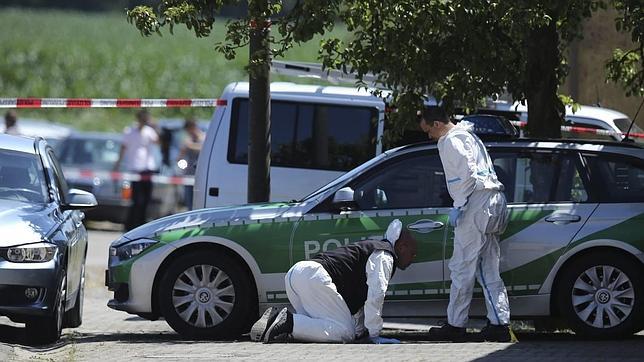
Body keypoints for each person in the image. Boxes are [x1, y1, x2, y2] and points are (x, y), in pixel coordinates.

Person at [418, 107, 511, 342]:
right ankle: (500, 324)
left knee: (461, 267)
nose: (429, 136)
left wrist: (459, 205)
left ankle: (455, 324)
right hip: (492, 202)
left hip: (475, 204)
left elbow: (466, 175)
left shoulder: (451, 141)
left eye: (429, 130)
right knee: (488, 267)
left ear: (437, 124)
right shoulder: (469, 135)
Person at [251, 219, 417, 344]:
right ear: (402, 247)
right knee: (344, 332)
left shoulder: (376, 248)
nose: (413, 258)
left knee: (320, 326)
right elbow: (376, 295)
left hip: (296, 275)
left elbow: (359, 304)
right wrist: (375, 335)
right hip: (313, 278)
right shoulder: (385, 255)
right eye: (412, 252)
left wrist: (362, 332)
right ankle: (287, 321)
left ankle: (276, 324)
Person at [114, 109, 160, 231]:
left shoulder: (149, 131)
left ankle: (142, 224)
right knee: (137, 200)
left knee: (146, 200)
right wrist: (118, 164)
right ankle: (132, 225)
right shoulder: (129, 131)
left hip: (148, 168)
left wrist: (155, 126)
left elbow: (158, 142)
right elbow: (123, 148)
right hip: (135, 168)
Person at [176, 117, 205, 210]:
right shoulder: (187, 139)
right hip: (189, 174)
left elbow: (202, 147)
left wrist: (190, 145)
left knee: (200, 200)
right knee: (189, 202)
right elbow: (180, 156)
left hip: (202, 174)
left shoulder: (204, 137)